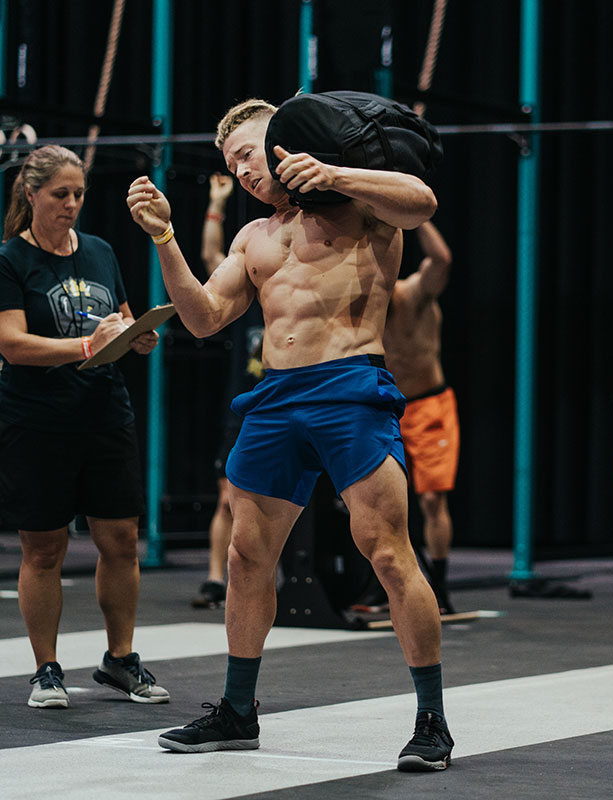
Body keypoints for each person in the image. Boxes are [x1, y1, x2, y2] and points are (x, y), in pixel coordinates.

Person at [127, 98, 454, 771]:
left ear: (283, 142)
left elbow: (421, 202)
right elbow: (204, 318)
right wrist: (164, 238)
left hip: (349, 389)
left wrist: (332, 171)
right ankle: (236, 711)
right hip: (275, 399)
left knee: (388, 555)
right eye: (230, 164)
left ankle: (431, 722)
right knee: (246, 558)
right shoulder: (252, 238)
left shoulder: (358, 205)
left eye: (247, 154)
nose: (242, 171)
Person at [0, 145, 170, 709]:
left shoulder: (98, 250)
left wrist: (136, 337)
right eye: (60, 195)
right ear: (31, 194)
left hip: (105, 413)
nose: (72, 205)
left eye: (79, 195)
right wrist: (83, 345)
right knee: (43, 548)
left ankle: (120, 659)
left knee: (120, 541)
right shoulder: (10, 260)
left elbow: (117, 320)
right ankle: (46, 669)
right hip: (37, 422)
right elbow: (11, 345)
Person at [191, 173, 264, 609]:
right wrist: (217, 202)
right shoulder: (246, 296)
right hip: (243, 409)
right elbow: (210, 255)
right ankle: (216, 578)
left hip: (284, 403)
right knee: (226, 499)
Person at [383, 220, 459, 615]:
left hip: (430, 406)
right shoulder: (366, 310)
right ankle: (383, 587)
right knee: (382, 503)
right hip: (389, 407)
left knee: (431, 500)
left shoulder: (415, 292)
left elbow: (441, 259)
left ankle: (441, 586)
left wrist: (417, 216)